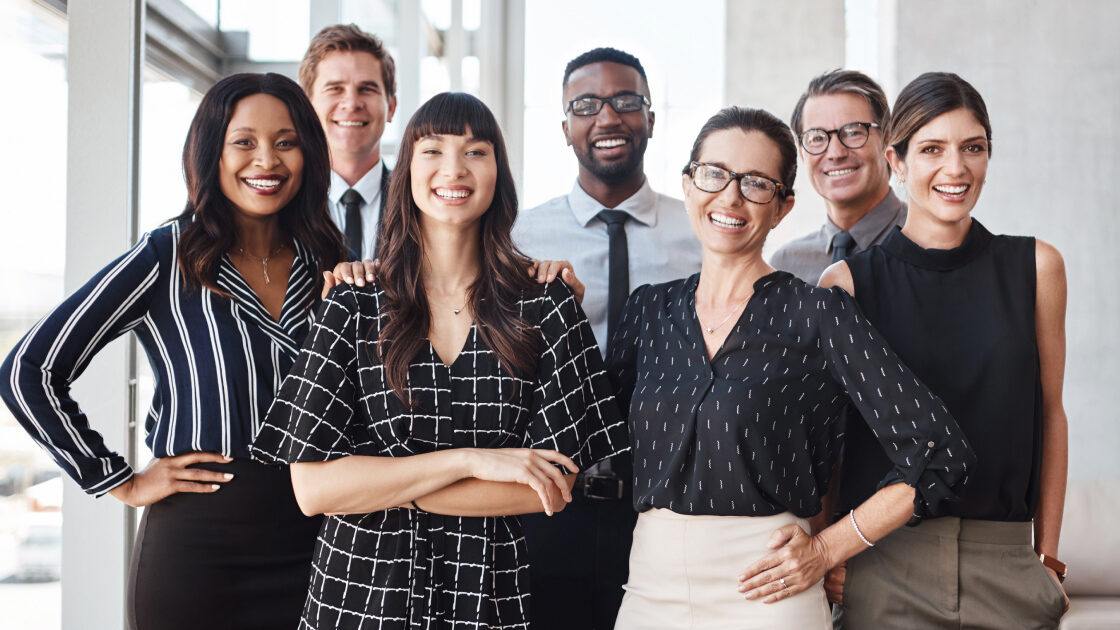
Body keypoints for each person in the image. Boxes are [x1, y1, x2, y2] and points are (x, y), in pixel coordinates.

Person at [250, 92, 629, 629]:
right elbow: (314, 490)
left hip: (487, 597)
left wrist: (385, 486)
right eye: (433, 150)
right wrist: (472, 462)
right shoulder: (352, 301)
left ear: (499, 171)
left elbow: (549, 487)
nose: (454, 168)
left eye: (476, 151)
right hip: (358, 595)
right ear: (406, 169)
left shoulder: (546, 303)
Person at [607, 106, 976, 629]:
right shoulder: (647, 312)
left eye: (756, 183)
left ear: (783, 207)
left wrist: (828, 548)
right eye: (714, 174)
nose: (730, 197)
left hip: (770, 592)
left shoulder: (818, 312)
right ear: (689, 185)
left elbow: (940, 452)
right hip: (650, 588)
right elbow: (593, 439)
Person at [0, 73, 347, 629]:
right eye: (244, 142)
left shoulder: (334, 260)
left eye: (286, 142)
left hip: (325, 544)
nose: (267, 160)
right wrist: (119, 480)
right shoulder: (168, 255)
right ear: (211, 151)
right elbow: (27, 371)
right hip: (198, 553)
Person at [821, 72, 1070, 629]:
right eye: (932, 149)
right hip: (885, 562)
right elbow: (831, 440)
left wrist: (1048, 558)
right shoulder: (846, 284)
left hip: (1006, 563)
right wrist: (831, 547)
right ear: (897, 161)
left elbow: (1051, 414)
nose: (956, 169)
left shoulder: (1037, 268)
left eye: (973, 148)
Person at [512, 46, 702, 630]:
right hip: (547, 501)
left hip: (669, 500)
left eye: (625, 101)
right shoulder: (518, 236)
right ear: (565, 126)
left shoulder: (701, 230)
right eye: (587, 104)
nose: (608, 117)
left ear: (650, 117)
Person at [771, 70, 905, 284]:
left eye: (853, 132)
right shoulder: (785, 268)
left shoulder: (929, 244)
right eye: (816, 138)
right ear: (802, 152)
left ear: (888, 139)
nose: (836, 153)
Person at [300, 24, 397, 259]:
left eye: (367, 89)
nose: (352, 103)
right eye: (335, 89)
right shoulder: (283, 202)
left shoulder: (418, 201)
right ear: (306, 105)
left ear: (391, 107)